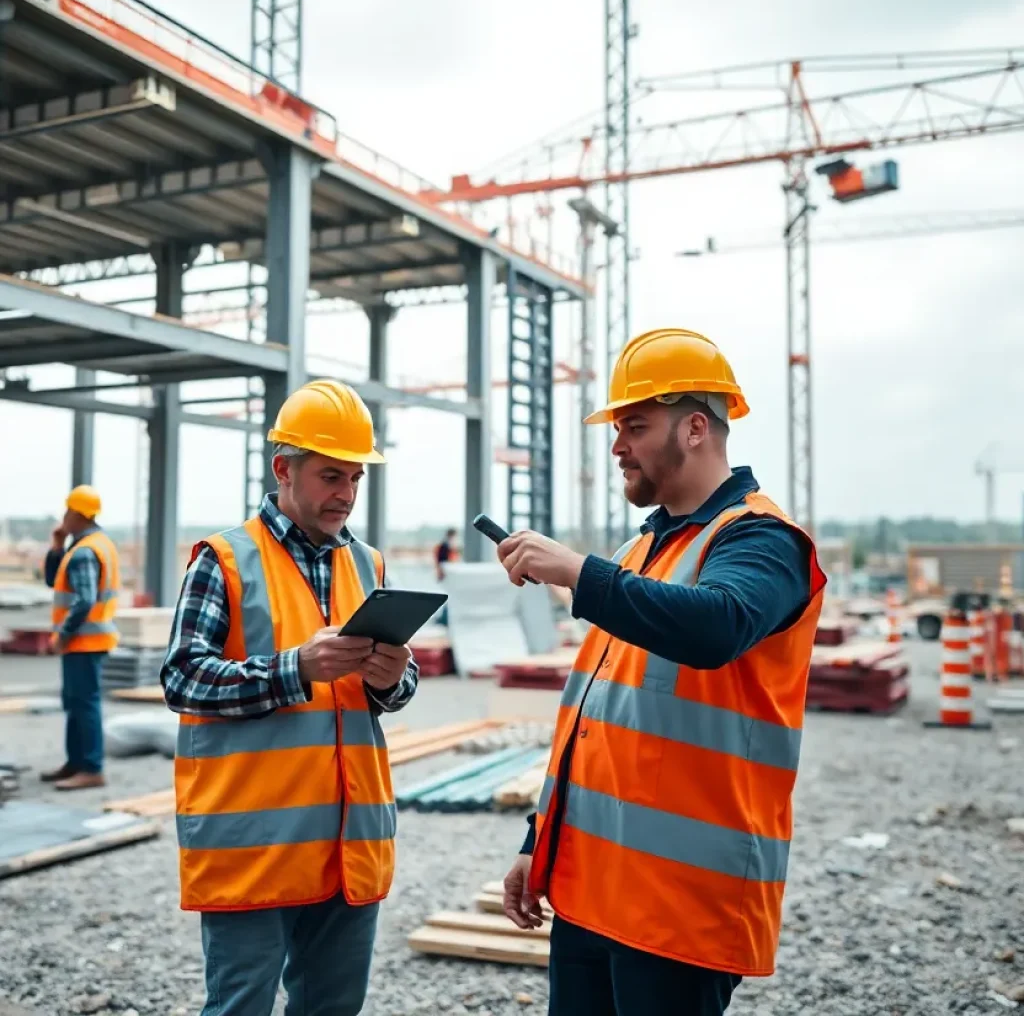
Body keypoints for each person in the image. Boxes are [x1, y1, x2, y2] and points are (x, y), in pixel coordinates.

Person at [496, 328, 827, 1016]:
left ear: (696, 428)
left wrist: (578, 572)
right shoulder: (640, 551)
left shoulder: (762, 538)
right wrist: (539, 842)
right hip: (591, 890)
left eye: (635, 426)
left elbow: (716, 627)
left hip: (682, 907)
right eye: (618, 429)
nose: (618, 447)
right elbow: (591, 720)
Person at [160, 379, 420, 1016]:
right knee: (241, 1005)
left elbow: (393, 691)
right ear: (284, 469)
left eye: (355, 478)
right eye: (331, 476)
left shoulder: (369, 565)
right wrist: (295, 669)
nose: (346, 494)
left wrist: (392, 679)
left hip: (348, 843)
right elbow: (183, 678)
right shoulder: (224, 560)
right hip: (258, 844)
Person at [41, 485, 121, 791]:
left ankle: (91, 768)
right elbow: (53, 579)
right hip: (89, 640)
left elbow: (84, 600)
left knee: (84, 704)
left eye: (67, 511)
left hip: (83, 642)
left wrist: (63, 635)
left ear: (76, 514)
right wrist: (57, 545)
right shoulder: (97, 544)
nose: (63, 517)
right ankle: (76, 763)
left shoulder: (86, 551)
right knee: (75, 703)